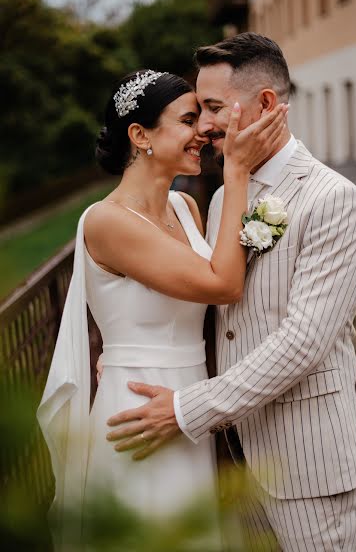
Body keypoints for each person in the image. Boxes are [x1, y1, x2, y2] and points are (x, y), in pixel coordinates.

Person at [106, 34, 356, 552]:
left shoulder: (332, 200)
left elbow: (304, 341)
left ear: (265, 105)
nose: (204, 124)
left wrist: (188, 409)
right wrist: (132, 351)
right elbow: (217, 308)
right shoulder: (222, 201)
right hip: (231, 456)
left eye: (213, 107)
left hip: (307, 460)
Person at [37, 68, 286, 549]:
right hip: (139, 410)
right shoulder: (109, 222)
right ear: (140, 135)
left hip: (190, 404)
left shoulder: (183, 208)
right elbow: (224, 284)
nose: (203, 133)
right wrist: (234, 172)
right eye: (188, 120)